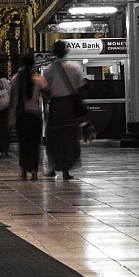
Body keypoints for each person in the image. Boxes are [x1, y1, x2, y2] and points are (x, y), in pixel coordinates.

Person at [42, 41, 87, 181]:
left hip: (56, 106)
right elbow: (81, 89)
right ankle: (66, 170)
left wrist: (45, 107)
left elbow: (46, 91)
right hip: (70, 106)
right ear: (66, 51)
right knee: (70, 138)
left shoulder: (48, 70)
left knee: (54, 138)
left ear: (54, 52)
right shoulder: (75, 68)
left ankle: (54, 167)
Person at [12, 60, 44, 180]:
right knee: (34, 145)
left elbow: (13, 98)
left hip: (22, 116)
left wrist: (12, 115)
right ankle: (34, 171)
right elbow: (46, 95)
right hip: (35, 116)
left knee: (23, 144)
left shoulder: (16, 79)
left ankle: (24, 171)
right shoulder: (38, 80)